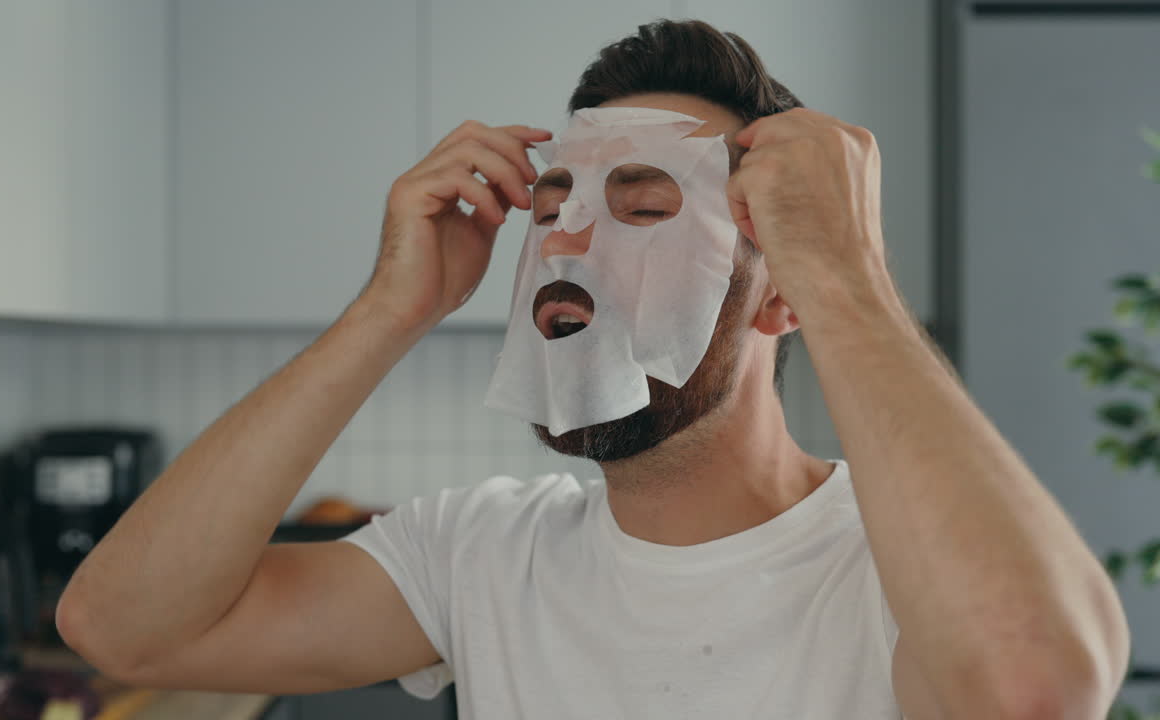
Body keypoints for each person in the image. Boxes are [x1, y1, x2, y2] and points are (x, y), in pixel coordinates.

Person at [55, 19, 1129, 718]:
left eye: (646, 208)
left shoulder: (895, 573)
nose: (567, 242)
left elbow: (1032, 683)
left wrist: (846, 272)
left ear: (782, 295)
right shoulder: (480, 554)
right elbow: (124, 629)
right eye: (553, 208)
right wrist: (392, 307)